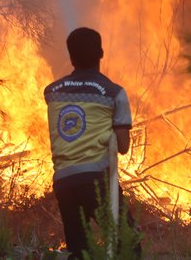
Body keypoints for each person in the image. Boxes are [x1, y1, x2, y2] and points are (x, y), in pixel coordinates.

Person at [44, 27, 140, 259]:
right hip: (97, 181)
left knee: (79, 252)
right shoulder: (114, 92)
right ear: (101, 53)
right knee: (128, 243)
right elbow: (123, 146)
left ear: (70, 56)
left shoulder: (52, 92)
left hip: (64, 182)